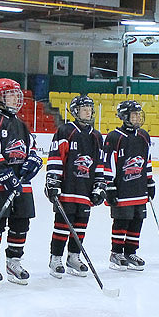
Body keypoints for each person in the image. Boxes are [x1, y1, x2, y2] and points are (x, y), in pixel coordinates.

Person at [0, 78, 42, 286]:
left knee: (22, 221)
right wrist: (5, 174)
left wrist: (33, 161)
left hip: (20, 183)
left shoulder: (21, 124)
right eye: (11, 94)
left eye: (16, 94)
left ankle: (14, 262)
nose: (16, 97)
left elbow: (32, 148)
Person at [44, 95, 105, 278]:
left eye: (89, 108)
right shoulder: (65, 130)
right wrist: (53, 181)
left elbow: (99, 163)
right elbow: (56, 157)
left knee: (80, 226)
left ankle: (74, 257)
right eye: (84, 108)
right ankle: (55, 258)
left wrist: (99, 185)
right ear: (75, 112)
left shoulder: (96, 136)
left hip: (85, 189)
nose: (88, 112)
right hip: (68, 188)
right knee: (62, 225)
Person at [103, 100, 154, 270]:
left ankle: (130, 251)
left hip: (139, 187)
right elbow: (108, 162)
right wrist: (109, 185)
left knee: (138, 219)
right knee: (121, 220)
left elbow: (147, 160)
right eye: (134, 115)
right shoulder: (114, 137)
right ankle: (116, 253)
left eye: (139, 114)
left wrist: (150, 181)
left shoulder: (144, 136)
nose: (138, 118)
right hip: (122, 188)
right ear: (124, 117)